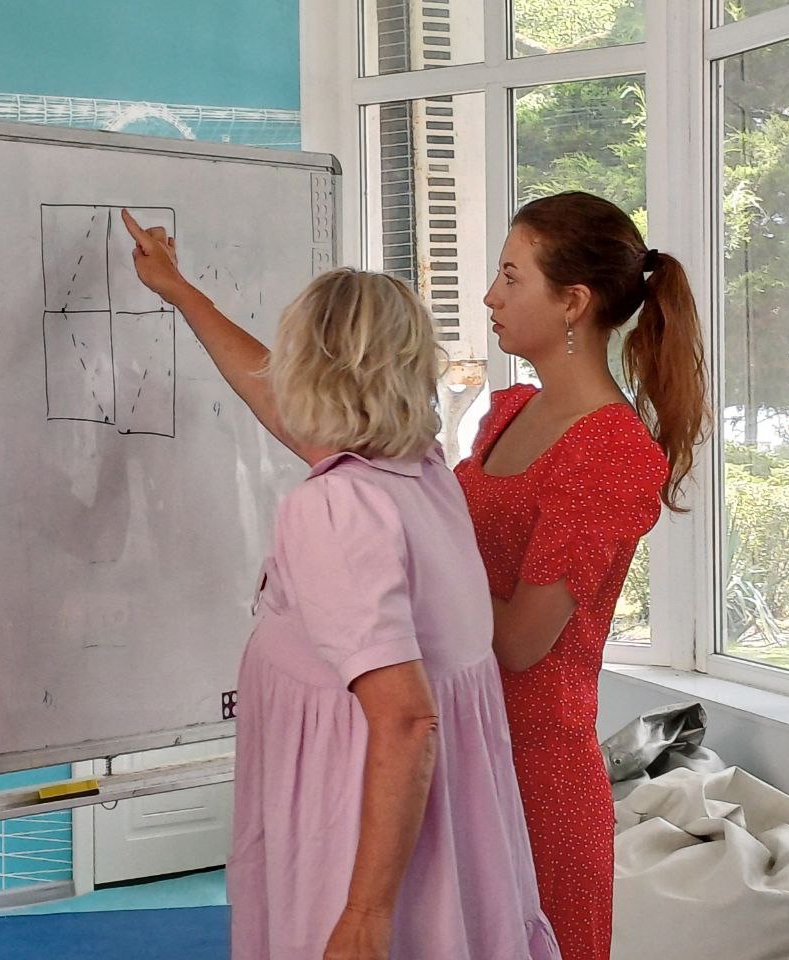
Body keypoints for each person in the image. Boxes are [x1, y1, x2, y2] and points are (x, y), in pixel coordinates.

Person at [124, 212, 559, 960]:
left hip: (355, 827)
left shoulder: (335, 508)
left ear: (310, 369)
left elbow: (406, 721)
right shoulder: (419, 470)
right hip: (438, 828)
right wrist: (182, 292)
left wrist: (364, 914)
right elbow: (277, 400)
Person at [453, 191, 710, 960]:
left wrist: (423, 556)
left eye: (511, 277)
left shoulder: (610, 449)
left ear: (573, 301)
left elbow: (522, 641)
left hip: (537, 782)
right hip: (464, 748)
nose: (490, 296)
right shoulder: (508, 412)